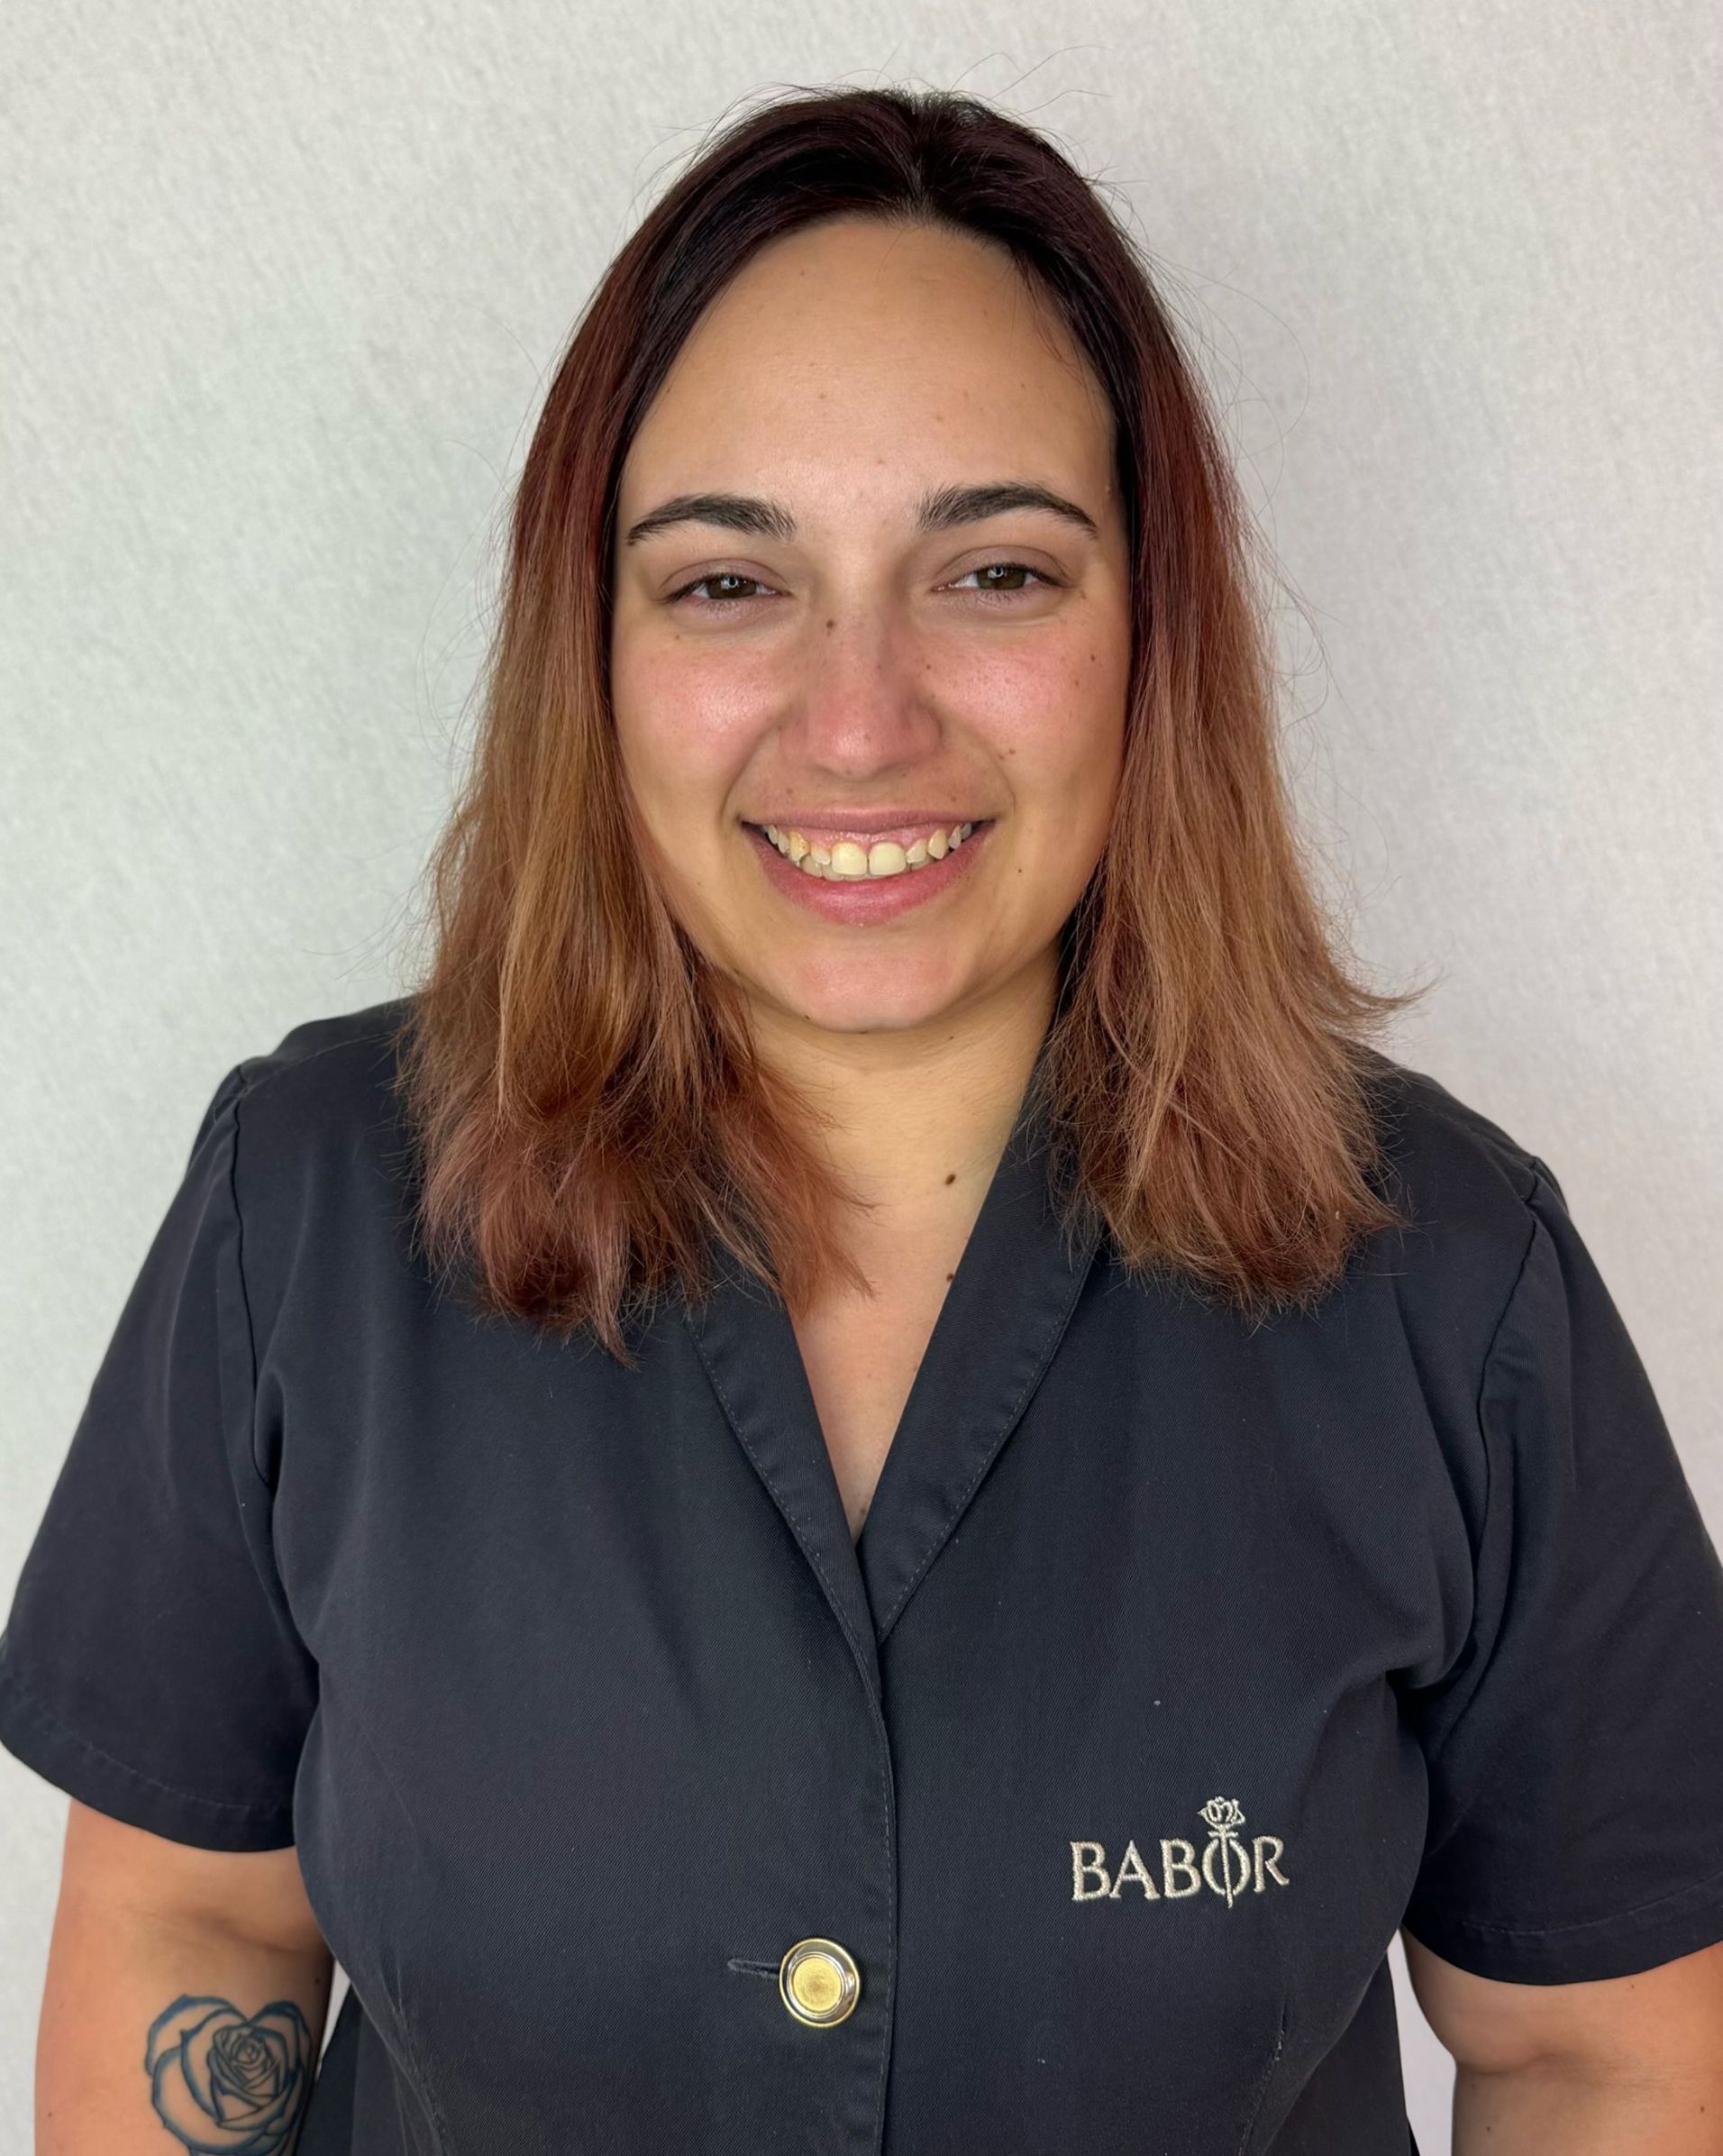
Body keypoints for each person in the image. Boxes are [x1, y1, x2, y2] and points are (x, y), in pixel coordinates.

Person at [4, 84, 1721, 2156]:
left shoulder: (1449, 1280)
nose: (855, 719)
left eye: (992, 570)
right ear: (593, 645)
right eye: (729, 582)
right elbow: (192, 1917)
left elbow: (1593, 2045)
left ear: (1148, 631)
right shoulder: (303, 1215)